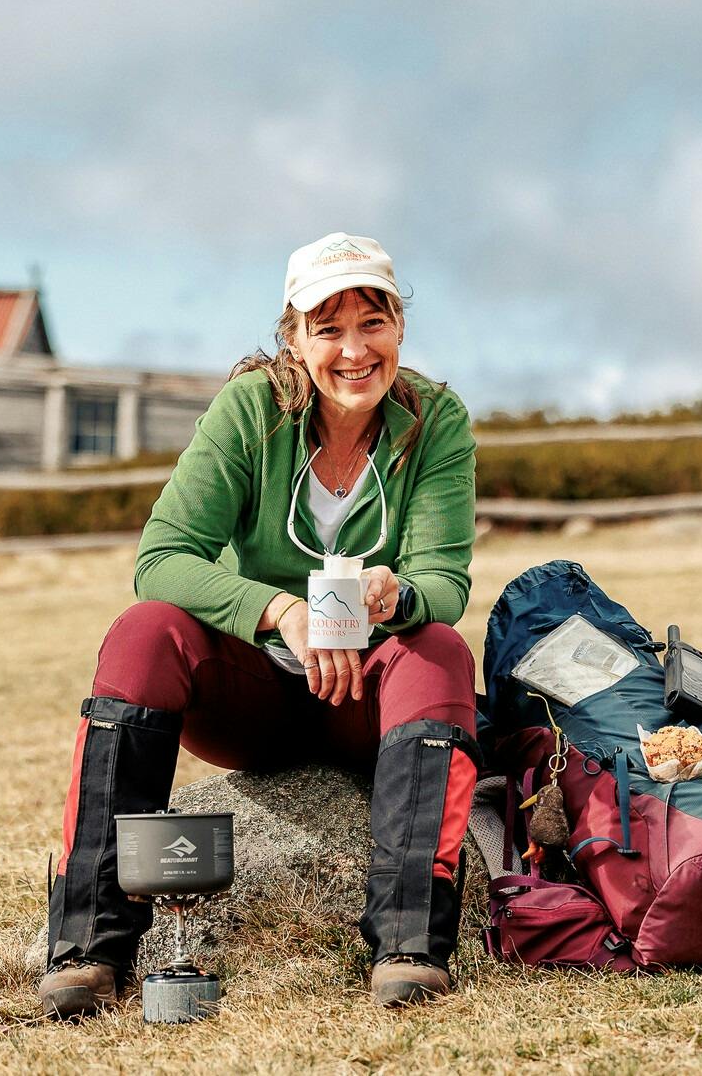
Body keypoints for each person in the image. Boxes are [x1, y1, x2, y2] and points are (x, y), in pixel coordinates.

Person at [40, 232, 480, 1017]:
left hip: (368, 704)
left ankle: (411, 941)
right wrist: (276, 610)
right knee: (144, 632)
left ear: (401, 328)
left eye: (373, 322)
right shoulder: (250, 410)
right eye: (328, 327)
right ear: (294, 337)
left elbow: (445, 582)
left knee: (441, 650)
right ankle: (90, 945)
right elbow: (163, 557)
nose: (354, 350)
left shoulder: (435, 420)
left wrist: (396, 594)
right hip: (253, 696)